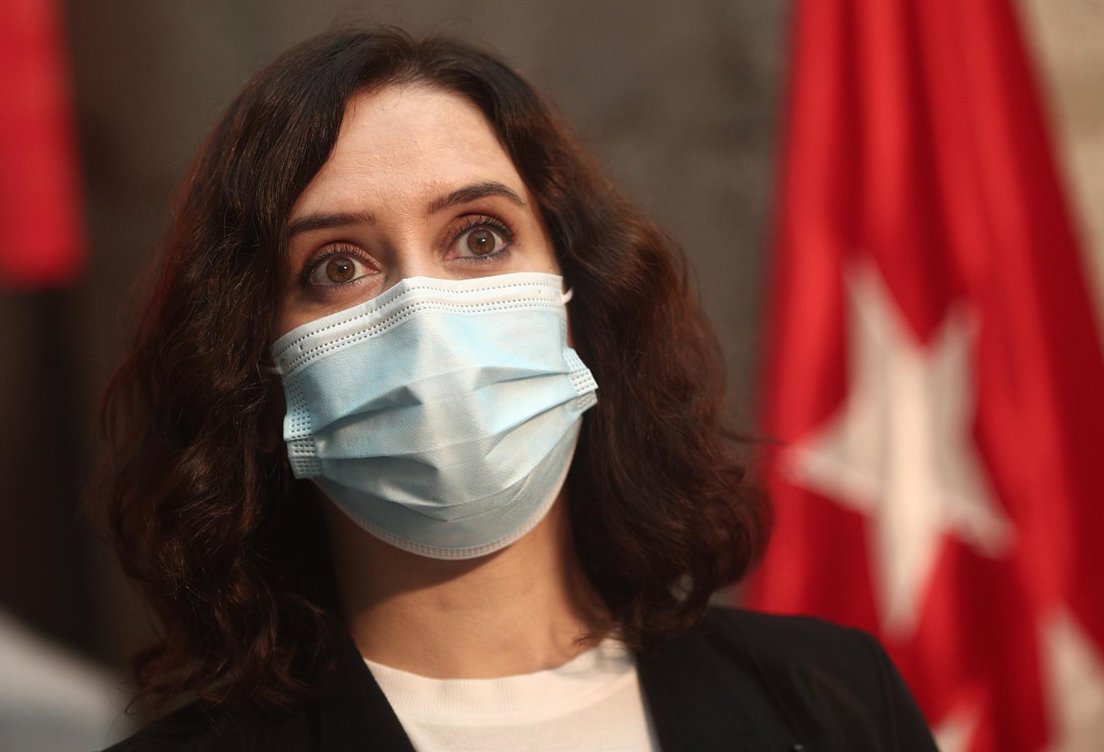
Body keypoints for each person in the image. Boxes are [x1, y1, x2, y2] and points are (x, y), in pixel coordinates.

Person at [95, 26, 938, 752]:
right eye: (338, 266)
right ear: (255, 364)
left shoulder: (832, 704)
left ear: (578, 298)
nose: (426, 318)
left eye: (480, 237)